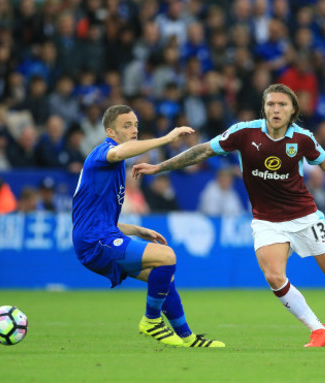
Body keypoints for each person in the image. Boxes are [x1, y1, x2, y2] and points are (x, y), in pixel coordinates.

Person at [133, 84, 325, 348]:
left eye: (282, 104)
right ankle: (318, 330)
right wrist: (159, 168)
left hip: (305, 216)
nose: (275, 109)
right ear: (264, 108)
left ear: (293, 110)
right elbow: (203, 150)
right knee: (274, 276)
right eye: (270, 104)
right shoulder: (244, 133)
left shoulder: (302, 138)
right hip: (267, 220)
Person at [71, 104, 224, 348]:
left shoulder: (113, 165)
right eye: (127, 125)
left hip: (100, 235)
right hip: (95, 242)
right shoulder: (105, 152)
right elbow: (120, 153)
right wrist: (166, 138)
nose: (134, 130)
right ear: (111, 131)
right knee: (167, 256)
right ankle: (151, 320)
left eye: (136, 125)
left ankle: (188, 338)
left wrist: (135, 229)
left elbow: (94, 217)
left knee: (162, 278)